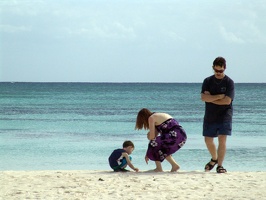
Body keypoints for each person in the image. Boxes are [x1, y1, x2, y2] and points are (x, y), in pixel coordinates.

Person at [201, 56, 235, 173]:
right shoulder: (207, 81)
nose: (218, 73)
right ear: (213, 68)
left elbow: (227, 101)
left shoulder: (229, 82)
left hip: (225, 115)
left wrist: (211, 98)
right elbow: (203, 97)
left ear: (224, 68)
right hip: (210, 115)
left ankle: (220, 165)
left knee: (222, 139)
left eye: (221, 71)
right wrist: (219, 96)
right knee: (208, 141)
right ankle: (214, 158)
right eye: (216, 70)